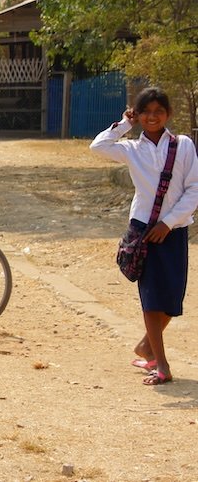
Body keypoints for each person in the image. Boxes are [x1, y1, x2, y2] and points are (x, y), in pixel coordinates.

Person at [90, 87, 198, 386]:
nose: (152, 117)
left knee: (172, 300)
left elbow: (194, 188)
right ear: (139, 115)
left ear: (168, 115)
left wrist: (168, 222)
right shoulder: (131, 149)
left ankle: (146, 346)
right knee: (151, 299)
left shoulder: (184, 146)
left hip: (173, 231)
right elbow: (98, 146)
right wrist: (125, 125)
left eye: (158, 112)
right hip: (143, 231)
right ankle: (161, 365)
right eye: (146, 112)